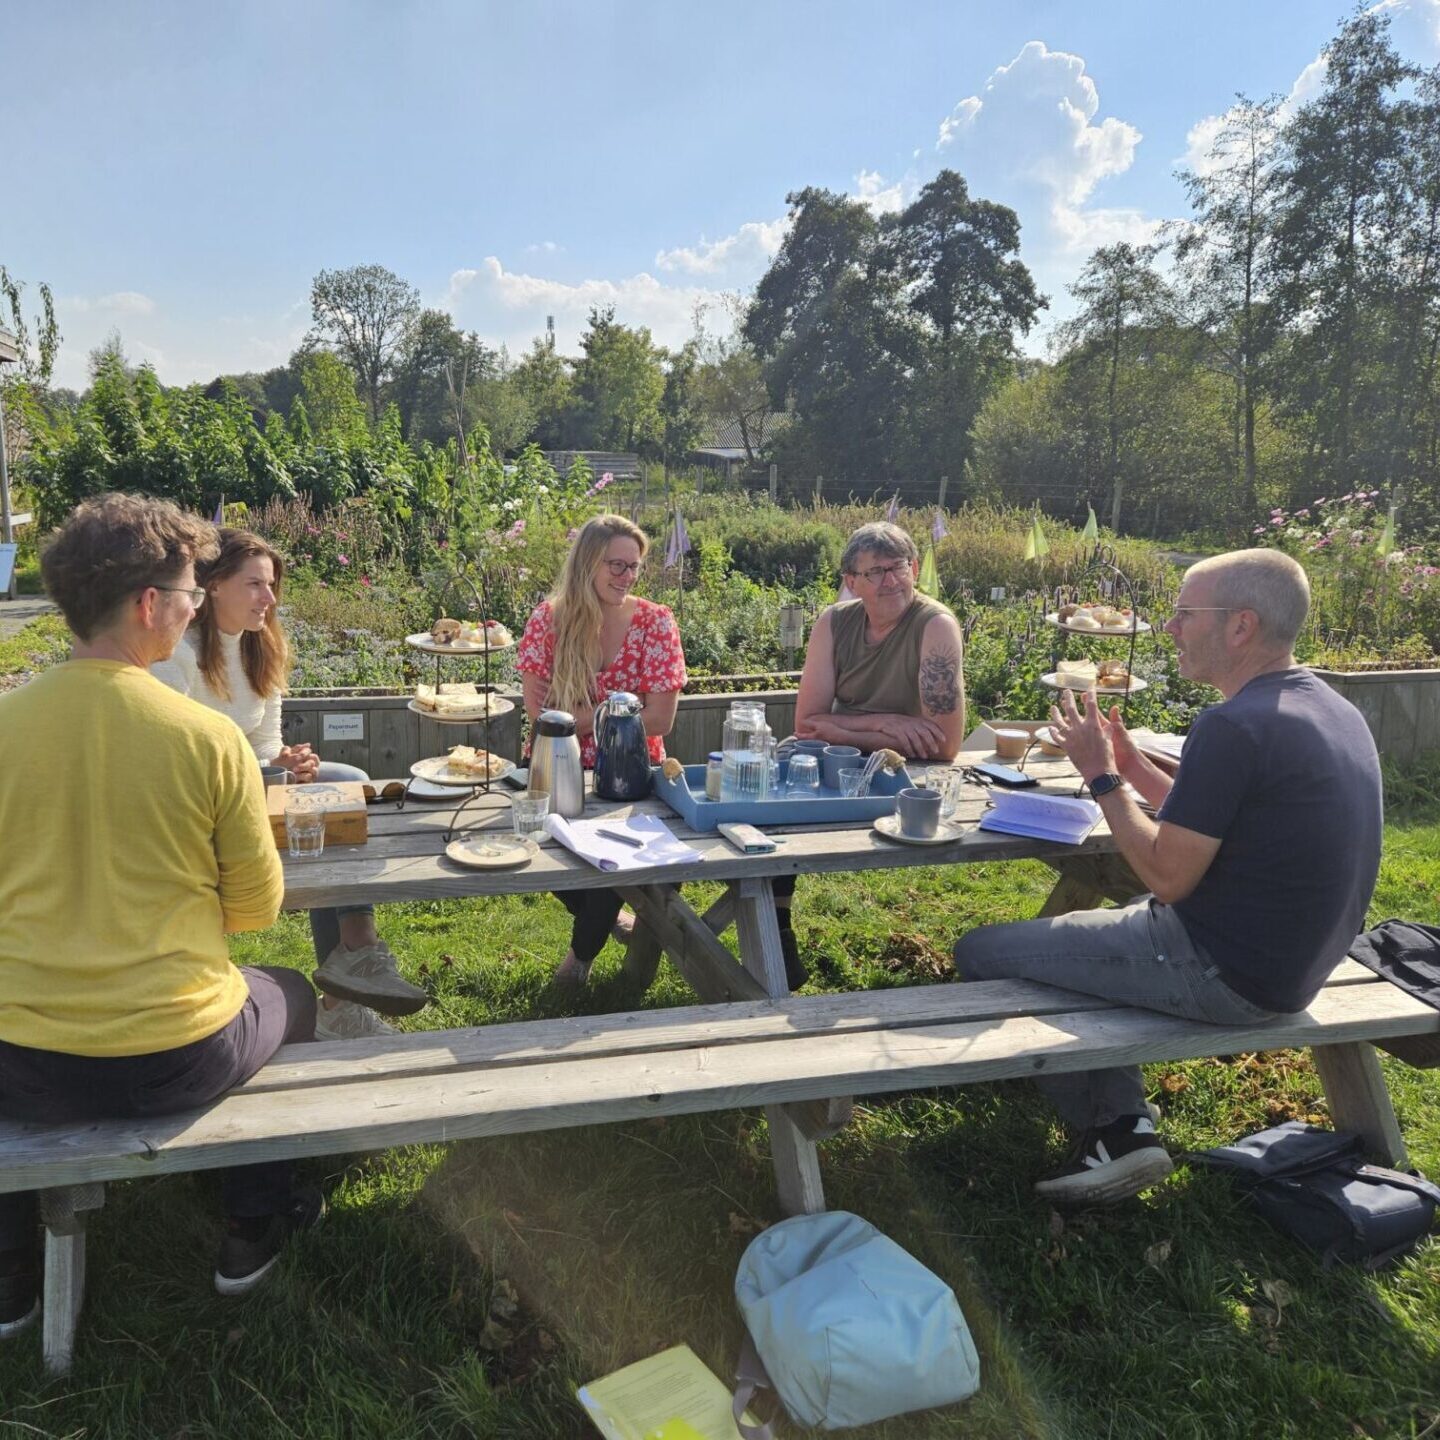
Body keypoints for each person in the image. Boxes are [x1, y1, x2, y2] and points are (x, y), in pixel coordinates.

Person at [954, 549, 1383, 1208]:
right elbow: (1216, 811)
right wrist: (1129, 765)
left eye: (1185, 614)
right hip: (1296, 966)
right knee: (1076, 954)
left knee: (980, 952)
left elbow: (1166, 873)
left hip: (1226, 972)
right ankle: (1123, 1119)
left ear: (1240, 626)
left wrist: (1100, 777)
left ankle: (1113, 1131)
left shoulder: (1233, 724)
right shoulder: (1324, 706)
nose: (1171, 629)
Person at [0, 495, 322, 1339]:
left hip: (17, 1058)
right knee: (293, 991)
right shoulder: (205, 739)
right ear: (149, 606)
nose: (189, 611)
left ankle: (7, 1280)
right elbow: (256, 909)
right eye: (185, 595)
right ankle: (252, 1221)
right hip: (173, 1054)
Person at [153, 529, 427, 1039]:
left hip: (250, 783)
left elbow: (262, 741)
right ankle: (354, 970)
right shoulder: (179, 656)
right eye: (255, 584)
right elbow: (176, 758)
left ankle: (352, 962)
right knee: (325, 807)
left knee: (349, 782)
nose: (270, 598)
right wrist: (261, 770)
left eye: (273, 584)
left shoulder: (263, 647)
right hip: (202, 803)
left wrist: (284, 762)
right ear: (213, 586)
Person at [778, 521, 966, 985]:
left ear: (915, 568)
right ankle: (776, 926)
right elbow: (805, 725)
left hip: (909, 776)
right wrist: (886, 725)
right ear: (851, 582)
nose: (890, 581)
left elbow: (943, 744)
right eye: (875, 572)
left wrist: (844, 728)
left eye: (899, 567)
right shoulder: (834, 622)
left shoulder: (935, 626)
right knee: (779, 790)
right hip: (839, 761)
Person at [516, 514, 687, 984]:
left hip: (632, 775)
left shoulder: (656, 622)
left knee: (625, 856)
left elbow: (660, 718)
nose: (626, 576)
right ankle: (612, 919)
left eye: (633, 567)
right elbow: (541, 718)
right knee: (545, 852)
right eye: (616, 565)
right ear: (587, 562)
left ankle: (578, 962)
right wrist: (620, 713)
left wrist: (582, 716)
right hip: (559, 768)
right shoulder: (548, 619)